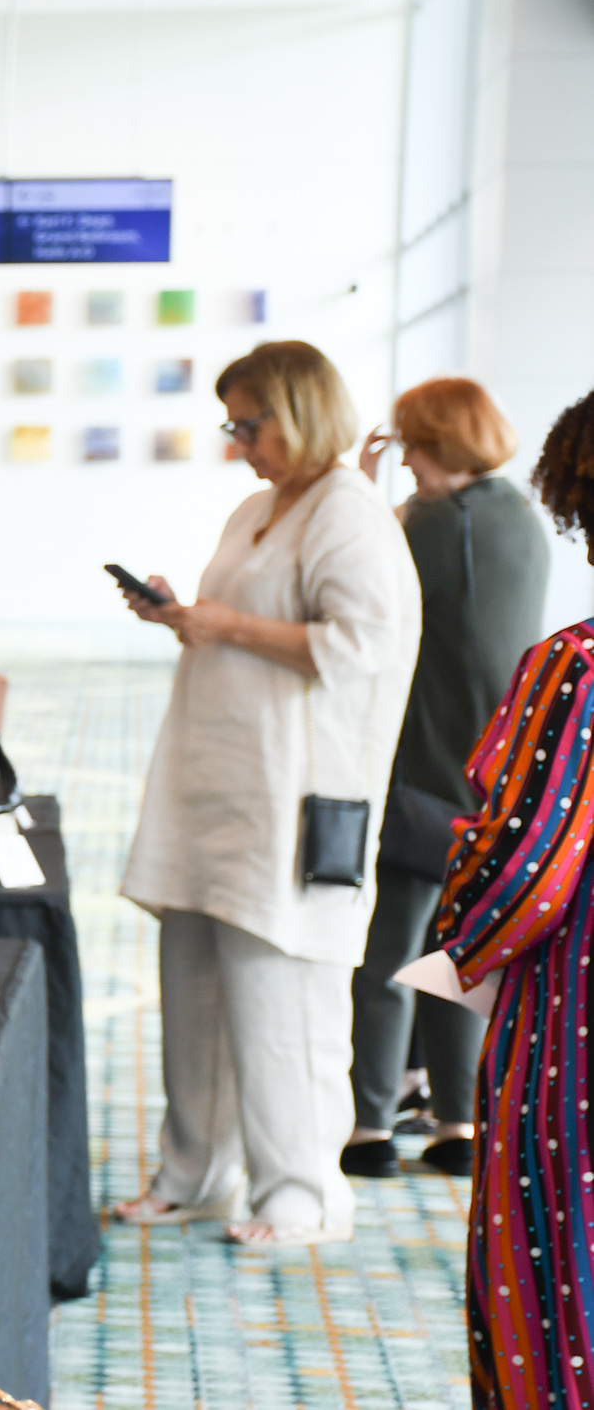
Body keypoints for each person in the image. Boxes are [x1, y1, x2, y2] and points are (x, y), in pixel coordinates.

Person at [111, 340, 420, 1246]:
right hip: (216, 782)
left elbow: (362, 646)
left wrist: (226, 624)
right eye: (232, 425)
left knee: (280, 993)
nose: (241, 443)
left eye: (254, 424)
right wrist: (187, 619)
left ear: (306, 411)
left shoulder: (349, 515)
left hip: (295, 794)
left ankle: (300, 1192)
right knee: (195, 983)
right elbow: (243, 632)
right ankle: (196, 1171)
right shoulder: (258, 506)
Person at [341, 378, 548, 1181]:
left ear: (438, 446)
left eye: (413, 447)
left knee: (388, 951)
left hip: (419, 774)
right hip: (498, 781)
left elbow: (361, 579)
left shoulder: (425, 524)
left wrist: (363, 490)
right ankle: (457, 1120)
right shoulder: (522, 520)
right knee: (461, 956)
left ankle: (367, 1128)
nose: (411, 463)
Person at [437, 387, 594, 1410]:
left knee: (560, 1291)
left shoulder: (576, 672)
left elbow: (517, 873)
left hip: (572, 1051)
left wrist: (453, 935)